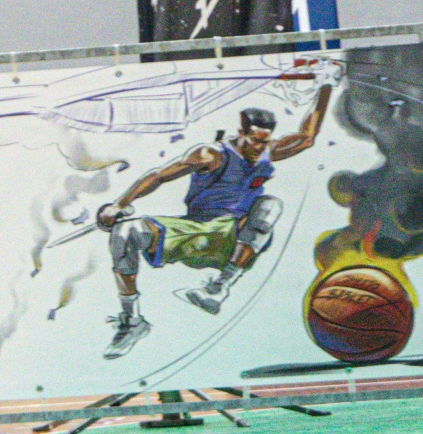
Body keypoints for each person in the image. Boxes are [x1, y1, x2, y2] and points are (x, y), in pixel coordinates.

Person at [98, 84, 333, 357]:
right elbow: (160, 176)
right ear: (240, 133)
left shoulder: (269, 151)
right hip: (194, 230)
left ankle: (219, 288)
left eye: (264, 141)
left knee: (270, 205)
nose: (259, 148)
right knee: (125, 231)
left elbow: (307, 137)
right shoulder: (211, 155)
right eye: (253, 140)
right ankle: (132, 321)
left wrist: (326, 86)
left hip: (233, 236)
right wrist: (119, 204)